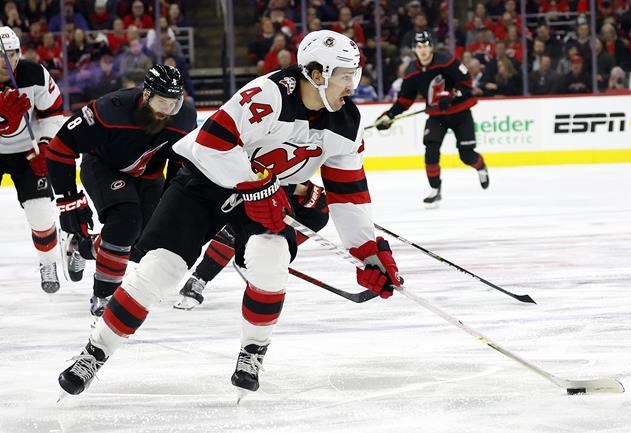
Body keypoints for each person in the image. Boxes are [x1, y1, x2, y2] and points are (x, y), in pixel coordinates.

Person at [57, 30, 402, 398]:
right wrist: (258, 184)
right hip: (206, 182)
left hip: (266, 191)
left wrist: (366, 251)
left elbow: (349, 194)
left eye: (354, 74)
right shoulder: (268, 95)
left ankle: (252, 352)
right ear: (317, 74)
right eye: (345, 76)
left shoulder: (348, 124)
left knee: (271, 258)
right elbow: (212, 144)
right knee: (160, 269)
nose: (352, 85)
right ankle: (94, 353)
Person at [45, 64, 197, 318]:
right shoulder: (110, 109)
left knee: (142, 244)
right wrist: (69, 201)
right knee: (126, 221)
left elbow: (180, 162)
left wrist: (173, 202)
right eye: (162, 102)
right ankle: (104, 298)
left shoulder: (185, 118)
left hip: (148, 177)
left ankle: (81, 247)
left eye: (174, 103)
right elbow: (59, 149)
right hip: (104, 167)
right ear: (146, 95)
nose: (168, 110)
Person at [375, 31, 489, 207]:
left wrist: (451, 94)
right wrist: (389, 115)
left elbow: (466, 82)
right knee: (431, 150)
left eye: (426, 46)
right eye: (419, 46)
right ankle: (435, 189)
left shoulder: (447, 60)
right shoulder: (411, 71)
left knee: (466, 155)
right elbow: (405, 100)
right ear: (414, 49)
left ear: (432, 47)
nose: (423, 50)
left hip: (460, 112)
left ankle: (481, 167)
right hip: (437, 116)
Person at [174, 181, 329, 310]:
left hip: (283, 189)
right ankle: (199, 279)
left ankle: (265, 257)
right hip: (251, 187)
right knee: (245, 221)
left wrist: (311, 192)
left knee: (319, 214)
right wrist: (300, 189)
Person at [0, 26, 65, 293]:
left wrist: (46, 147)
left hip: (28, 152)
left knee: (40, 212)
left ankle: (48, 263)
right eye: (1, 55)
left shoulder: (35, 74)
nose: (7, 61)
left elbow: (53, 113)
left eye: (12, 54)